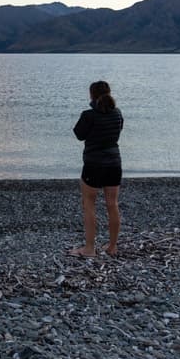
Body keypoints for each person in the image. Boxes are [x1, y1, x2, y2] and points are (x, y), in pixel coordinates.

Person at [69, 80, 123, 257]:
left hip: (94, 164)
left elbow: (79, 134)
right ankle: (112, 247)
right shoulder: (117, 114)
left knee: (89, 204)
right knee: (112, 204)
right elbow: (118, 131)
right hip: (114, 163)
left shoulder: (89, 115)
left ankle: (89, 248)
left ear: (91, 95)